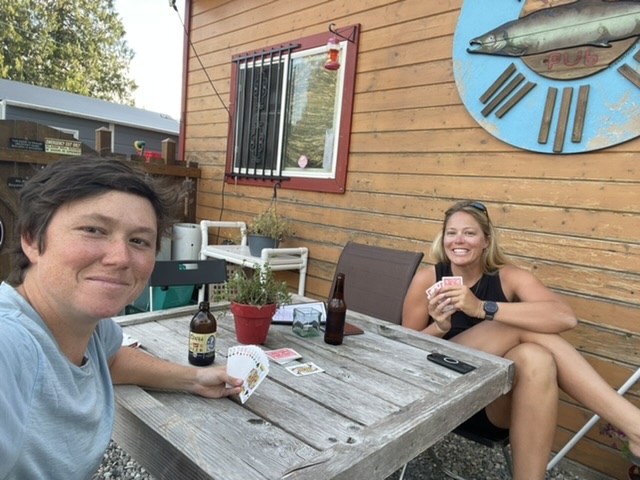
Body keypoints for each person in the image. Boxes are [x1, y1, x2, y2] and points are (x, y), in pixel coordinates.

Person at [0, 156, 243, 480]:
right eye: (93, 230)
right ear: (32, 240)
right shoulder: (9, 345)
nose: (120, 258)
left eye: (139, 241)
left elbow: (111, 359)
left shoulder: (89, 330)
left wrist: (195, 379)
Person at [402, 200, 640, 480]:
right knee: (510, 327)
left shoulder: (509, 277)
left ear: (486, 241)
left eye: (469, 233)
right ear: (443, 240)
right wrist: (441, 327)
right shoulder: (427, 279)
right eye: (451, 233)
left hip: (492, 409)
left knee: (534, 357)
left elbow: (565, 318)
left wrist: (483, 308)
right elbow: (405, 350)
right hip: (436, 392)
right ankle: (635, 427)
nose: (458, 240)